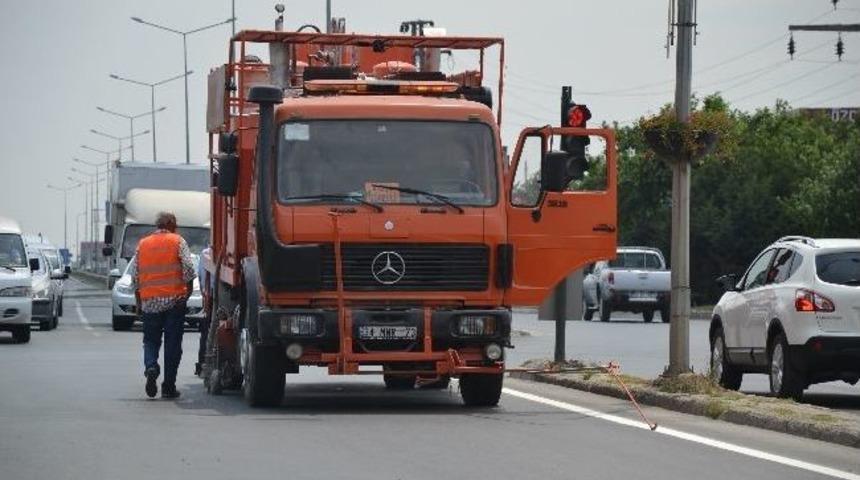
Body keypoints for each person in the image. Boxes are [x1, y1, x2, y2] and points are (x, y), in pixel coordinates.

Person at [127, 212, 196, 399]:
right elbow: (189, 268)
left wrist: (138, 302)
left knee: (150, 341)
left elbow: (135, 276)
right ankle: (168, 386)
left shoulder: (143, 244)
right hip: (174, 302)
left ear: (157, 226)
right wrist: (187, 293)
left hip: (150, 303)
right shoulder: (177, 241)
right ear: (173, 225)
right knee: (173, 345)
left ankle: (151, 366)